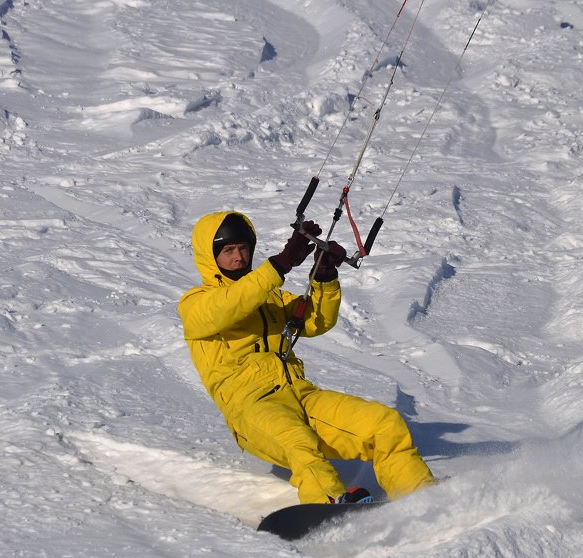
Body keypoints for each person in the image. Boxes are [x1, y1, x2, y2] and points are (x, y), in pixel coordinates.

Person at [178, 210, 435, 504]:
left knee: (384, 422)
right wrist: (280, 264)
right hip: (251, 409)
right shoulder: (195, 304)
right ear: (211, 257)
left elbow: (316, 322)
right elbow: (230, 305)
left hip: (299, 394)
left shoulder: (270, 297)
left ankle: (421, 496)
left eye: (243, 248)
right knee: (297, 440)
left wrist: (324, 277)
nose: (238, 257)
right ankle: (327, 503)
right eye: (228, 251)